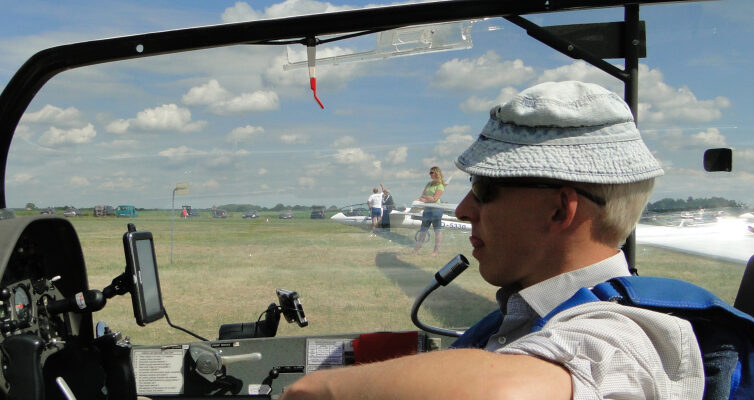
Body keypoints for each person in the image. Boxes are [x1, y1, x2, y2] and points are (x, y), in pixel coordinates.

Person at [279, 81, 703, 399]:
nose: (463, 209)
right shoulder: (524, 313)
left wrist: (320, 389)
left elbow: (507, 390)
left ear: (560, 210)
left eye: (485, 190)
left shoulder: (628, 334)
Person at [412, 166, 445, 255]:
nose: (429, 174)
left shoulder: (440, 185)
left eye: (431, 173)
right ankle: (416, 250)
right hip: (427, 210)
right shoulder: (429, 184)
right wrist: (426, 198)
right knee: (423, 231)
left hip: (436, 210)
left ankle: (435, 252)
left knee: (437, 231)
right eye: (429, 173)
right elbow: (422, 195)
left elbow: (435, 199)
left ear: (436, 173)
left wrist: (425, 199)